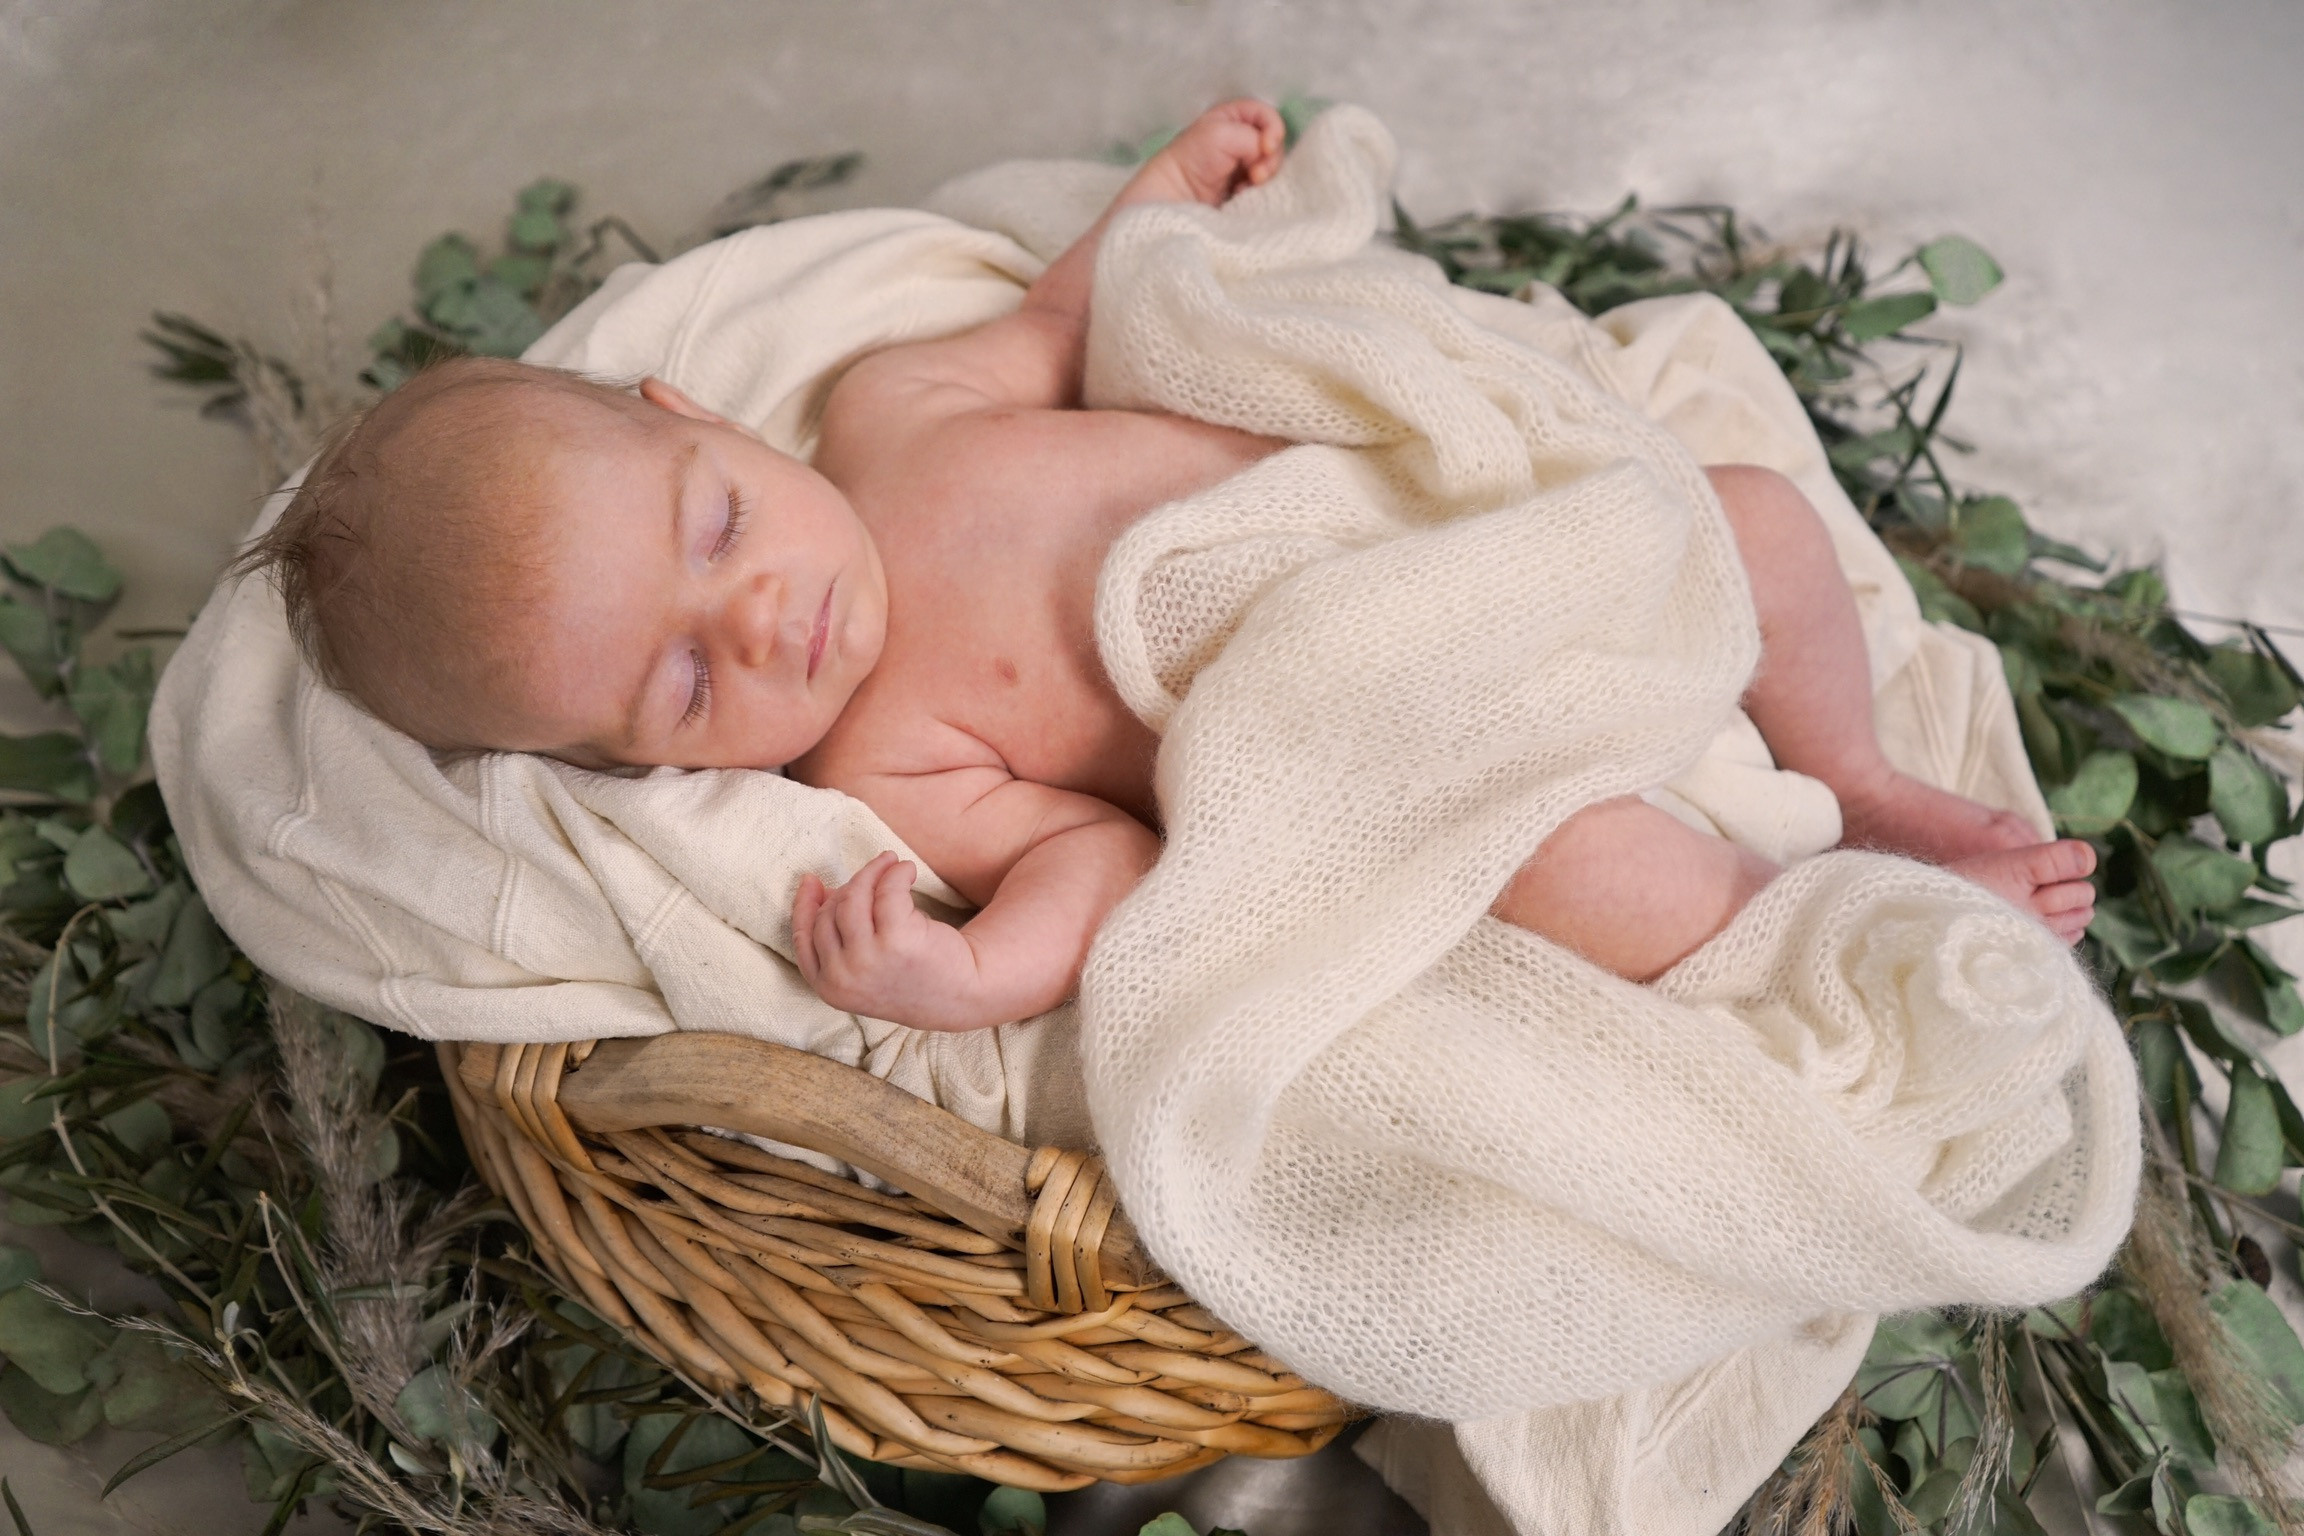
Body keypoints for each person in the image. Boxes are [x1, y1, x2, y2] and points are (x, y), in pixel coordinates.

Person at [236, 99, 2097, 1033]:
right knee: (1581, 874)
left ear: (696, 413)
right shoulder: (876, 764)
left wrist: (1166, 195)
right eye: (686, 685)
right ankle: (1842, 940)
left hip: (1473, 532)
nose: (764, 619)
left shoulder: (895, 411)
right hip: (1405, 721)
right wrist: (973, 986)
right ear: (639, 771)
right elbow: (1098, 853)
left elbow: (1076, 315)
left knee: (1745, 520)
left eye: (714, 531)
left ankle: (1858, 784)